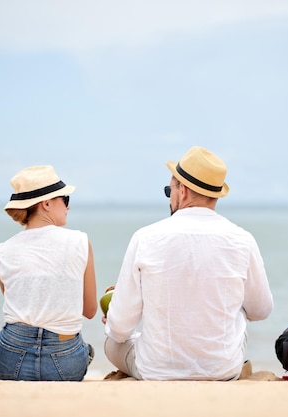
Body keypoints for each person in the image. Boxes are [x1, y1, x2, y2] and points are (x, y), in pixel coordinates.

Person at [103, 146, 273, 381]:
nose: (169, 196)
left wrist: (112, 318)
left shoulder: (145, 237)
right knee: (239, 314)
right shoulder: (242, 239)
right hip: (223, 369)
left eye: (168, 190)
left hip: (155, 369)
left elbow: (121, 329)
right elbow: (261, 310)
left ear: (182, 191)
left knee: (112, 343)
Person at [0, 165, 97, 381]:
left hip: (11, 358)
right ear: (46, 203)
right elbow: (89, 310)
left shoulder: (1, 251)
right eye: (65, 199)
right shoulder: (80, 241)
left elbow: (22, 306)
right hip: (64, 358)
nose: (68, 207)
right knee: (85, 349)